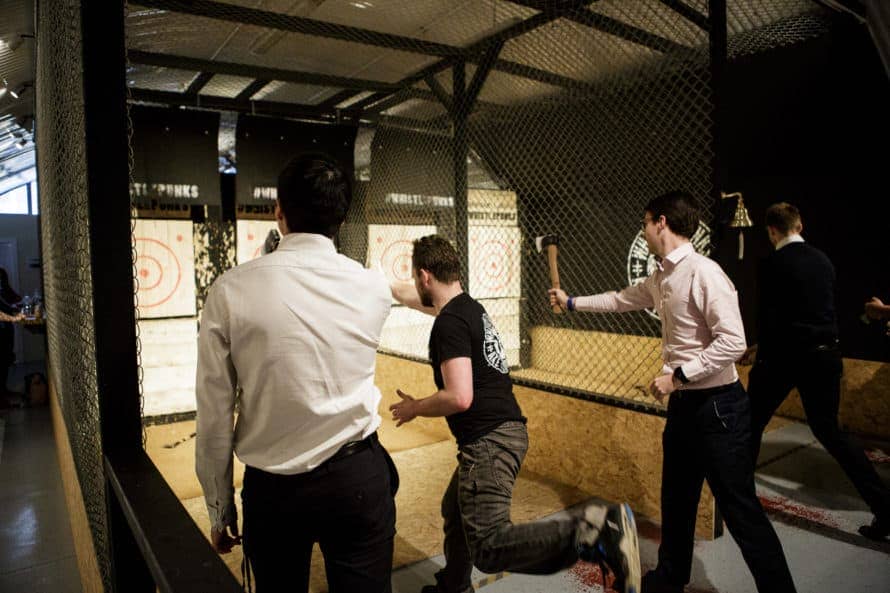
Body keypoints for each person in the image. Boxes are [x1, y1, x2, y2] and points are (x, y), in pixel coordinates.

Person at [549, 191, 797, 593]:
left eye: (645, 222)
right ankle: (670, 577)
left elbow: (733, 342)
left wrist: (678, 376)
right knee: (677, 503)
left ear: (661, 222)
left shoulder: (704, 273)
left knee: (741, 512)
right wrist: (572, 302)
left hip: (720, 410)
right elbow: (620, 300)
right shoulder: (662, 276)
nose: (643, 229)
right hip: (686, 411)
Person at [391, 234, 640, 593]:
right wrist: (378, 286)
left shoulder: (449, 323)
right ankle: (453, 586)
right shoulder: (469, 308)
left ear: (425, 276)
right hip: (504, 430)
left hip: (488, 440)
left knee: (490, 547)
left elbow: (459, 397)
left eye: (417, 279)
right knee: (456, 509)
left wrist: (416, 407)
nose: (416, 286)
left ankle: (594, 530)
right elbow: (413, 299)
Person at [196, 153, 399, 592]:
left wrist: (219, 508)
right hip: (356, 479)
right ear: (341, 219)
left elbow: (213, 415)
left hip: (274, 492)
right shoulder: (372, 287)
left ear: (278, 213)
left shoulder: (229, 290)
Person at [742, 202, 890, 541]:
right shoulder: (823, 261)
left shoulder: (771, 263)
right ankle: (884, 507)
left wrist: (759, 349)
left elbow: (769, 318)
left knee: (750, 423)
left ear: (771, 231)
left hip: (782, 357)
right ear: (800, 224)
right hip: (823, 356)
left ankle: (741, 498)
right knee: (831, 433)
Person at [0, 268, 24, 407]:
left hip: (6, 327)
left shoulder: (2, 275)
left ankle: (3, 390)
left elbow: (12, 296)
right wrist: (12, 310)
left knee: (7, 357)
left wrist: (18, 303)